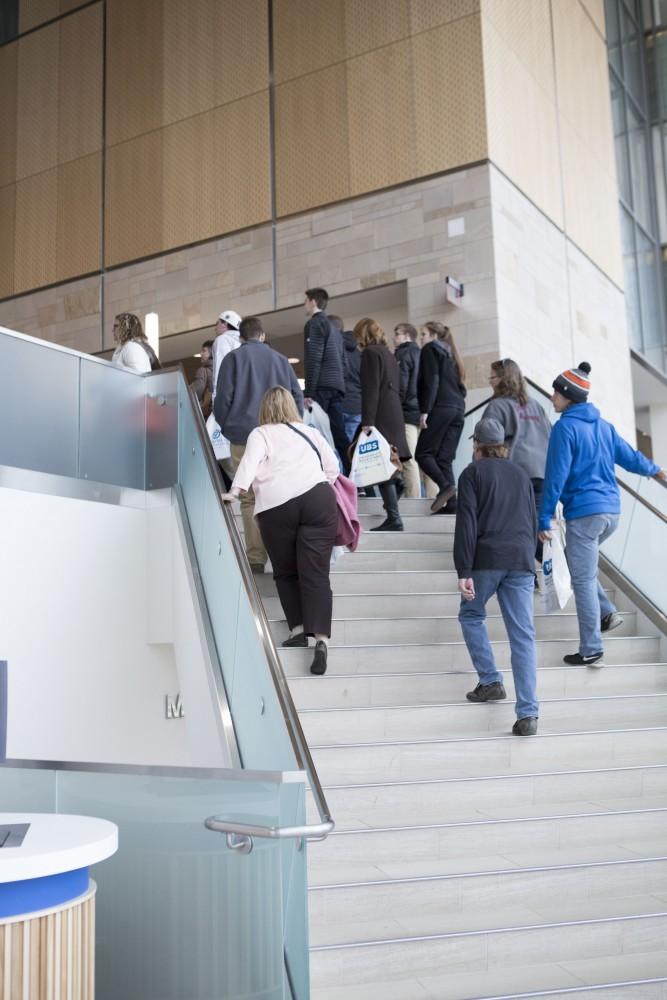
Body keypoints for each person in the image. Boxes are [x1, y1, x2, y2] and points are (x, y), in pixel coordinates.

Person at [538, 362, 665, 667]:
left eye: (556, 392)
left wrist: (544, 518)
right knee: (580, 566)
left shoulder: (565, 428)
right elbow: (629, 457)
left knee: (582, 579)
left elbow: (555, 476)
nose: (552, 397)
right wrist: (656, 470)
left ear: (568, 396)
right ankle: (606, 612)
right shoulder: (604, 426)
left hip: (585, 514)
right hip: (611, 512)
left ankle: (591, 648)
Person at [219, 387, 339, 676]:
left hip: (278, 506)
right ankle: (321, 640)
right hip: (318, 499)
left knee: (286, 571)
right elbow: (333, 469)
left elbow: (248, 464)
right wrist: (312, 484)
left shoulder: (261, 434)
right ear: (291, 406)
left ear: (265, 409)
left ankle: (298, 630)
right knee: (316, 573)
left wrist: (235, 492)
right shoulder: (309, 432)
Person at [455, 418, 539, 737]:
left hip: (488, 557)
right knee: (523, 636)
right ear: (502, 445)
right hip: (520, 559)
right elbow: (530, 520)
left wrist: (464, 570)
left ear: (477, 445)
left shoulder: (472, 474)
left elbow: (467, 525)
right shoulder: (520, 474)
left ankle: (490, 680)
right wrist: (529, 561)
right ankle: (528, 713)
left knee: (471, 615)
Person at [214, 317, 304, 574]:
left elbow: (223, 400)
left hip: (242, 435)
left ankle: (255, 558)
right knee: (279, 494)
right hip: (279, 436)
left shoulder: (232, 359)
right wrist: (291, 426)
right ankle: (282, 556)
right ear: (262, 335)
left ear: (241, 337)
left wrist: (227, 426)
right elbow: (296, 396)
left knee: (248, 498)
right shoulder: (280, 359)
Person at [482, 358, 552, 559]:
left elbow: (488, 442)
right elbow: (550, 435)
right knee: (538, 528)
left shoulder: (497, 406)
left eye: (492, 377)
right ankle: (555, 569)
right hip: (542, 474)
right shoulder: (536, 406)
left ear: (503, 379)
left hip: (515, 475)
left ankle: (528, 573)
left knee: (517, 526)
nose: (490, 381)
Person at [354, 317, 411, 532]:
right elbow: (402, 388)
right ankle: (396, 489)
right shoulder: (389, 354)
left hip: (380, 413)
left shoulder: (370, 354)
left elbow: (370, 389)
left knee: (379, 463)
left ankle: (394, 517)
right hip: (394, 410)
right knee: (386, 461)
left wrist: (367, 421)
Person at [416, 321, 466, 514]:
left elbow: (432, 380)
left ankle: (445, 487)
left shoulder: (431, 349)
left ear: (434, 336)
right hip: (458, 409)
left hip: (441, 406)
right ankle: (452, 503)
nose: (422, 338)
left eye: (424, 334)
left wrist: (425, 410)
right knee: (444, 459)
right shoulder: (451, 354)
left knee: (423, 453)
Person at [303, 288, 349, 468]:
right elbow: (344, 362)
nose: (304, 305)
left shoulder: (314, 324)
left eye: (306, 301)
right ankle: (356, 481)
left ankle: (322, 478)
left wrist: (309, 392)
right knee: (339, 434)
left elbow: (314, 358)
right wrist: (341, 384)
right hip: (336, 387)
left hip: (321, 387)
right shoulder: (334, 327)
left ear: (313, 301)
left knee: (315, 434)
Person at [394, 323, 437, 500]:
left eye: (397, 333)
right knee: (426, 459)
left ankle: (413, 502)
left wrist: (396, 405)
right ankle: (435, 500)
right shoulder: (424, 354)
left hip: (408, 413)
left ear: (406, 336)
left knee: (409, 459)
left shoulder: (403, 354)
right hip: (425, 413)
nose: (393, 337)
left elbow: (402, 385)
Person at [336, 315, 363, 444]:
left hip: (340, 403)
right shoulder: (361, 353)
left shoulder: (334, 348)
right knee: (352, 447)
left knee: (337, 447)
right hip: (358, 405)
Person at [211, 309, 242, 398]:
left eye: (217, 323)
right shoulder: (243, 342)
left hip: (229, 396)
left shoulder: (222, 339)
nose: (215, 328)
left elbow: (220, 368)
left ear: (225, 324)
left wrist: (216, 397)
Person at [191, 339, 214, 418]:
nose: (201, 354)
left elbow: (196, 391)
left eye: (204, 351)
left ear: (212, 353)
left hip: (208, 414)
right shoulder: (222, 369)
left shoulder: (203, 370)